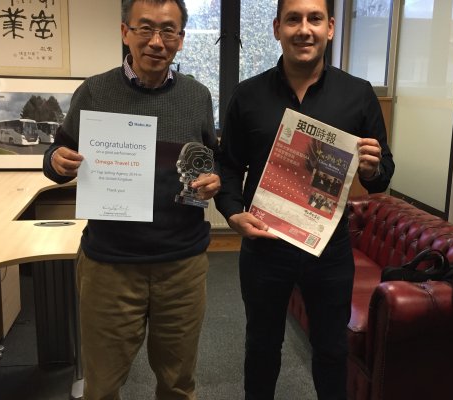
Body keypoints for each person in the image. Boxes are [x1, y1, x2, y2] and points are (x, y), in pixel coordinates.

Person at [213, 0, 394, 398]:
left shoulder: (358, 94)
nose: (304, 29)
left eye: (315, 18)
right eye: (293, 19)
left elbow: (382, 173)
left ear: (330, 27)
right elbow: (228, 164)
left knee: (331, 350)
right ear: (277, 28)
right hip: (265, 245)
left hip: (329, 250)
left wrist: (370, 169)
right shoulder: (248, 95)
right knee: (261, 347)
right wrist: (232, 213)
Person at [42, 0, 220, 399]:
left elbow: (214, 158)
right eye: (145, 28)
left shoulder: (197, 96)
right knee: (102, 385)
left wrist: (215, 179)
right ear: (125, 32)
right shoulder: (94, 91)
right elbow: (56, 152)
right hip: (110, 266)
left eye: (168, 30)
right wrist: (56, 161)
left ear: (181, 39)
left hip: (181, 265)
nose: (157, 41)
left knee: (178, 384)